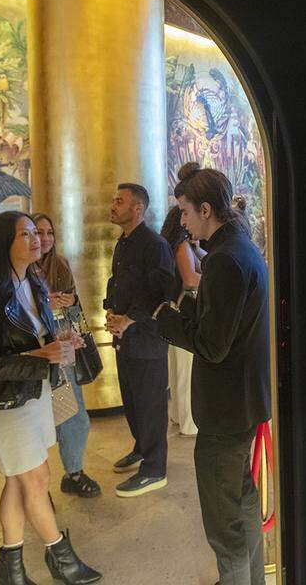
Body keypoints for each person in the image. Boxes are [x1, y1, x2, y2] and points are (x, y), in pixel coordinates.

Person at [110, 164, 270, 585]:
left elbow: (214, 346)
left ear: (205, 209)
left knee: (224, 525)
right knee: (242, 501)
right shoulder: (240, 248)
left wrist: (164, 314)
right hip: (244, 400)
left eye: (184, 212)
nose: (180, 222)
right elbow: (224, 322)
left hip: (226, 408)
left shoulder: (225, 260)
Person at [0, 211, 101, 585]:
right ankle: (62, 558)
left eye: (37, 233)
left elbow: (40, 341)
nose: (36, 239)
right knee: (36, 479)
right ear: (2, 244)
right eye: (26, 234)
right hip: (6, 405)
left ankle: (11, 566)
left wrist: (62, 344)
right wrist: (38, 358)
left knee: (19, 481)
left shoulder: (34, 283)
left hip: (35, 394)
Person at [103, 183, 176, 497]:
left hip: (147, 339)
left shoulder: (155, 244)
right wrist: (110, 311)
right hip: (125, 339)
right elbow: (116, 281)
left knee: (150, 405)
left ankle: (155, 468)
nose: (112, 205)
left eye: (119, 201)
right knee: (132, 401)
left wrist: (129, 319)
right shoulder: (123, 243)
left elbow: (161, 292)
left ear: (137, 208)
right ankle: (141, 447)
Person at [32, 212, 101, 498]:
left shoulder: (59, 264)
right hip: (33, 349)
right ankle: (35, 482)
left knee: (72, 413)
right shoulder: (19, 269)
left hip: (63, 345)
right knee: (35, 417)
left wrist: (69, 301)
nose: (45, 238)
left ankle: (73, 472)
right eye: (37, 232)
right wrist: (43, 303)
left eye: (49, 233)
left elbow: (74, 307)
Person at [159, 205, 200, 436]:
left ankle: (177, 415)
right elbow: (191, 279)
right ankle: (189, 423)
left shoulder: (173, 244)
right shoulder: (181, 246)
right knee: (186, 371)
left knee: (176, 370)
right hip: (185, 310)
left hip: (173, 309)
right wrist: (217, 279)